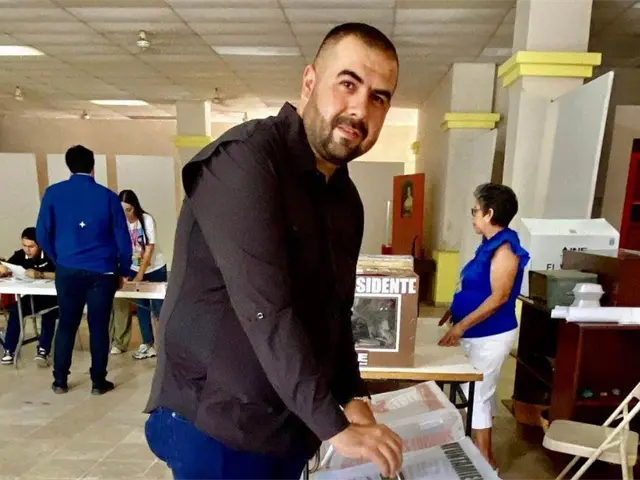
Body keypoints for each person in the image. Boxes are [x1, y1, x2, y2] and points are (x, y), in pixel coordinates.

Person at [144, 23, 403, 480]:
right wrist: (334, 426)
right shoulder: (244, 160)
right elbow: (266, 310)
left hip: (288, 423)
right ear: (309, 82)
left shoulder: (345, 200)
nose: (360, 109)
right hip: (218, 424)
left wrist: (352, 396)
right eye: (348, 84)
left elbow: (335, 312)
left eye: (378, 98)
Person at [438, 183, 530, 469]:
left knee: (478, 393)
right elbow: (475, 284)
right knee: (480, 391)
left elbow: (499, 297)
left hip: (491, 334)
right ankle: (479, 454)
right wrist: (454, 309)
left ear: (489, 213)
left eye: (475, 210)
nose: (473, 216)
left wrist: (461, 326)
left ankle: (486, 463)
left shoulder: (505, 249)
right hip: (476, 332)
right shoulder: (489, 244)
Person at [36, 145, 132, 395]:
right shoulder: (109, 197)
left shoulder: (53, 193)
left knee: (67, 323)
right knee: (99, 326)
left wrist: (59, 259)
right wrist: (123, 269)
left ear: (69, 166)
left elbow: (42, 234)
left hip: (67, 269)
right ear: (93, 166)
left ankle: (60, 380)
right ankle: (98, 382)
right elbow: (123, 238)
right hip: (102, 271)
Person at [109, 189, 167, 359]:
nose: (126, 214)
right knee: (141, 308)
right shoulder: (120, 223)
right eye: (122, 211)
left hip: (155, 268)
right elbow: (120, 249)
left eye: (128, 210)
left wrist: (141, 273)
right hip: (134, 267)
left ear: (135, 207)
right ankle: (147, 343)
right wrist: (125, 271)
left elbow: (149, 249)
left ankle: (164, 344)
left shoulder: (146, 219)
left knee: (159, 308)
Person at [0, 227, 57, 366]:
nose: (27, 250)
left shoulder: (51, 254)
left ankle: (43, 350)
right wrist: (4, 270)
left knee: (49, 312)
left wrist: (40, 274)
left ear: (40, 245)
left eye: (31, 246)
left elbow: (62, 274)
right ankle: (9, 350)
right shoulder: (20, 255)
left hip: (54, 297)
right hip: (33, 297)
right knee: (16, 309)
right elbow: (9, 267)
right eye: (24, 245)